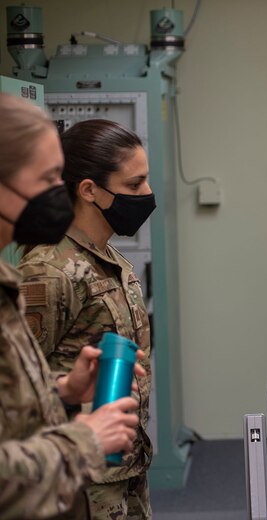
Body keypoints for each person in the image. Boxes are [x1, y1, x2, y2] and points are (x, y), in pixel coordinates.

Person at [0, 93, 143, 519]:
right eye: (46, 180)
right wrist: (85, 439)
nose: (56, 195)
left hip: (77, 483)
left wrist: (62, 391)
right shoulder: (47, 269)